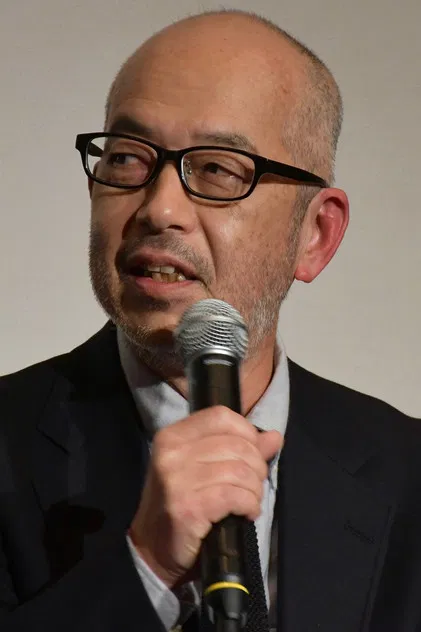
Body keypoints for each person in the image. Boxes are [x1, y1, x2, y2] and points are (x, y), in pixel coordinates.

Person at [0, 9, 420, 632]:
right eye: (127, 158)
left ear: (315, 234)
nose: (159, 208)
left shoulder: (406, 473)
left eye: (218, 169)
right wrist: (145, 567)